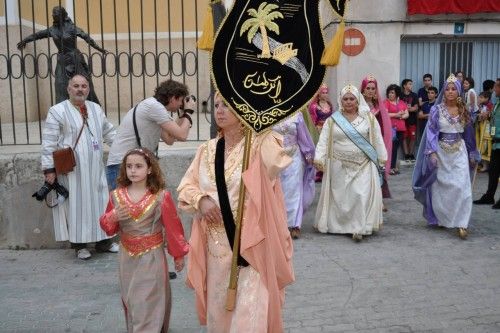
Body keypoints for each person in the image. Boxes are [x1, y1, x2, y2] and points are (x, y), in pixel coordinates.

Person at [177, 92, 294, 332]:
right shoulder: (206, 150)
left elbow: (276, 164)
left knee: (251, 314)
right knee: (220, 314)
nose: (219, 110)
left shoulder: (258, 144)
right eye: (216, 105)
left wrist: (263, 127)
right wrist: (201, 200)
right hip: (216, 247)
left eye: (227, 106)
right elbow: (185, 187)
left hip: (251, 244)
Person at [99, 147, 189, 332]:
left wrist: (178, 255)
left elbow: (173, 228)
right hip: (127, 259)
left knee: (148, 302)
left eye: (138, 166)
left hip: (152, 259)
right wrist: (113, 216)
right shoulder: (117, 196)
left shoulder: (160, 196)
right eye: (129, 166)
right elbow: (108, 229)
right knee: (132, 302)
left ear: (149, 169)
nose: (133, 170)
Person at [41, 74, 117, 259]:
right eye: (76, 86)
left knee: (100, 203)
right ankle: (79, 245)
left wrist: (127, 149)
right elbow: (49, 142)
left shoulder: (95, 108)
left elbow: (109, 132)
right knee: (77, 206)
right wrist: (49, 170)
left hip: (96, 169)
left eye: (84, 86)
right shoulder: (57, 111)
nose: (80, 89)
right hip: (72, 171)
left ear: (88, 89)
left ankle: (103, 241)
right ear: (68, 89)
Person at [314, 85, 387, 242]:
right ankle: (341, 226)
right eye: (345, 99)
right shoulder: (332, 121)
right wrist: (319, 157)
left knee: (360, 195)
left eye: (352, 99)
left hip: (363, 163)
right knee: (343, 198)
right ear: (341, 101)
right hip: (339, 165)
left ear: (357, 100)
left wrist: (381, 157)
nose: (348, 102)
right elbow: (323, 140)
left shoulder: (368, 118)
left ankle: (359, 228)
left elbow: (377, 137)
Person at [413, 74, 480, 239]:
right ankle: (443, 218)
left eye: (453, 89)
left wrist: (473, 153)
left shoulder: (464, 110)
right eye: (447, 89)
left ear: (458, 91)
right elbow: (431, 133)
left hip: (459, 152)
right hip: (441, 153)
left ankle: (462, 222)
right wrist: (432, 152)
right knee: (441, 188)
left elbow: (469, 135)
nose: (450, 92)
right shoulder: (436, 110)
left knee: (462, 187)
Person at [106, 79, 195, 190]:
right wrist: (188, 112)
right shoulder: (154, 107)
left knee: (137, 206)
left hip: (128, 164)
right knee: (124, 206)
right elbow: (182, 135)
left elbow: (169, 139)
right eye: (181, 101)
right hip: (122, 166)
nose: (181, 105)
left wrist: (182, 114)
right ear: (173, 98)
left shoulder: (154, 107)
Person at [17, 6, 106, 104]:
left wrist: (100, 49)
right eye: (53, 14)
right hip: (62, 60)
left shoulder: (72, 28)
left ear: (63, 15)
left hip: (75, 59)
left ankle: (92, 108)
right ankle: (61, 111)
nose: (53, 15)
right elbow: (37, 35)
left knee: (83, 82)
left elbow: (86, 38)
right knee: (60, 85)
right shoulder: (52, 30)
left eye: (56, 14)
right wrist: (25, 40)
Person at [272, 112, 315, 239]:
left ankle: (295, 225)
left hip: (294, 156)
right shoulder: (269, 113)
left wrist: (308, 153)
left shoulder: (297, 115)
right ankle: (279, 223)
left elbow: (303, 136)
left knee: (294, 189)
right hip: (274, 157)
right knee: (278, 189)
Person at [361, 75, 393, 201]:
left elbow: (384, 126)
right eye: (368, 88)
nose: (370, 90)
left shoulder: (378, 107)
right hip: (362, 142)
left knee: (377, 170)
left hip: (376, 143)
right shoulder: (358, 105)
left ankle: (378, 199)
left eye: (373, 88)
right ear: (363, 89)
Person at [474, 78, 500, 209]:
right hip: (496, 143)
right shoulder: (496, 104)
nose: (494, 89)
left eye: (496, 87)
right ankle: (489, 196)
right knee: (493, 171)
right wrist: (488, 114)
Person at [308, 84, 334, 182]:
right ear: (318, 94)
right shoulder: (314, 106)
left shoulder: (329, 105)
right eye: (323, 92)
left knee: (328, 150)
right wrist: (314, 131)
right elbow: (312, 121)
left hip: (328, 130)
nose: (325, 94)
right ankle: (318, 173)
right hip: (318, 130)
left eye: (326, 92)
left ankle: (326, 171)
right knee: (319, 150)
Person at [384, 84, 409, 175]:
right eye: (389, 93)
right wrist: (397, 115)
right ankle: (390, 167)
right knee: (391, 148)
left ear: (397, 94)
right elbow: (385, 114)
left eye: (392, 93)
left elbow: (407, 114)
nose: (390, 95)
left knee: (396, 148)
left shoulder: (402, 103)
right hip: (391, 129)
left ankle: (394, 166)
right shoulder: (386, 102)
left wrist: (401, 116)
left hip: (401, 129)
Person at [400, 79, 419, 162]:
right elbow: (398, 107)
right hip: (402, 121)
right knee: (404, 137)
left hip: (412, 120)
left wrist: (407, 109)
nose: (411, 86)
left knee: (413, 137)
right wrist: (409, 109)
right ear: (404, 86)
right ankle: (406, 155)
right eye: (410, 84)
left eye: (411, 84)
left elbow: (415, 108)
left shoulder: (414, 95)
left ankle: (411, 154)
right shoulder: (400, 95)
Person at [476, 91, 494, 172]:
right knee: (480, 145)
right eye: (480, 97)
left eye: (481, 97)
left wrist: (485, 114)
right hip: (481, 127)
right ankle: (483, 164)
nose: (480, 99)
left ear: (487, 98)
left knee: (486, 146)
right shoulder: (481, 105)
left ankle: (487, 165)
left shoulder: (490, 105)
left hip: (487, 129)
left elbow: (490, 115)